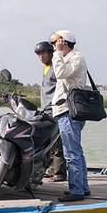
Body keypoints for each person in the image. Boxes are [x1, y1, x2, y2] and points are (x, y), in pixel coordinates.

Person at [50, 30, 90, 202]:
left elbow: (60, 73)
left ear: (63, 42)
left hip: (69, 111)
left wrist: (58, 53)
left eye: (55, 43)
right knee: (76, 151)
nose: (53, 46)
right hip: (66, 110)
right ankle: (83, 187)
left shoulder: (75, 57)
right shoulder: (69, 58)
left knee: (71, 152)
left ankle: (77, 190)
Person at [34, 41, 66, 182]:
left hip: (56, 109)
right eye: (38, 54)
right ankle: (51, 169)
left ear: (50, 52)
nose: (40, 56)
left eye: (42, 53)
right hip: (46, 110)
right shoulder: (46, 68)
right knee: (48, 141)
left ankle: (60, 173)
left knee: (58, 142)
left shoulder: (56, 67)